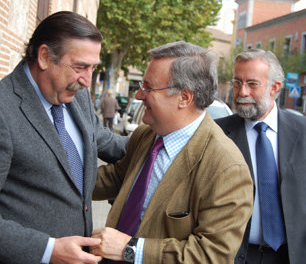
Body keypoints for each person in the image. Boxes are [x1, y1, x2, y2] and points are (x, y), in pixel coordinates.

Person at [0, 11, 128, 264]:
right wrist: (48, 250)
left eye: (92, 68)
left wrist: (166, 139)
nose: (87, 80)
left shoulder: (77, 97)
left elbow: (105, 141)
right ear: (45, 56)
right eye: (80, 66)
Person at [91, 41, 254, 263]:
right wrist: (47, 175)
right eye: (141, 85)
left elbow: (211, 255)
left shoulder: (226, 168)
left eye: (148, 87)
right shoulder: (145, 135)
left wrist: (130, 249)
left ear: (185, 98)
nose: (139, 95)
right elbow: (117, 177)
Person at [215, 48, 306, 264]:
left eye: (252, 84)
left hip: (290, 257)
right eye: (237, 82)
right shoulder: (217, 133)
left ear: (274, 87)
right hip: (232, 256)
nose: (242, 92)